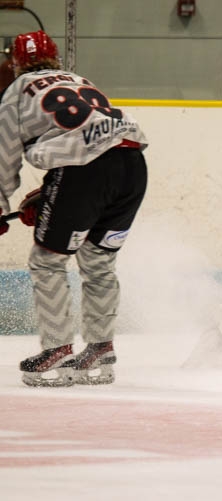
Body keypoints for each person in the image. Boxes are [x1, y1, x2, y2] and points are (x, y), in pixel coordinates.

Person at [0, 31, 149, 387]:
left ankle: (58, 350)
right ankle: (99, 348)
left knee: (47, 260)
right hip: (132, 167)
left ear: (16, 61)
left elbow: (4, 157)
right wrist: (54, 190)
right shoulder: (80, 80)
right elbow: (92, 138)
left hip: (83, 172)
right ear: (55, 58)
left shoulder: (17, 90)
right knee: (98, 261)